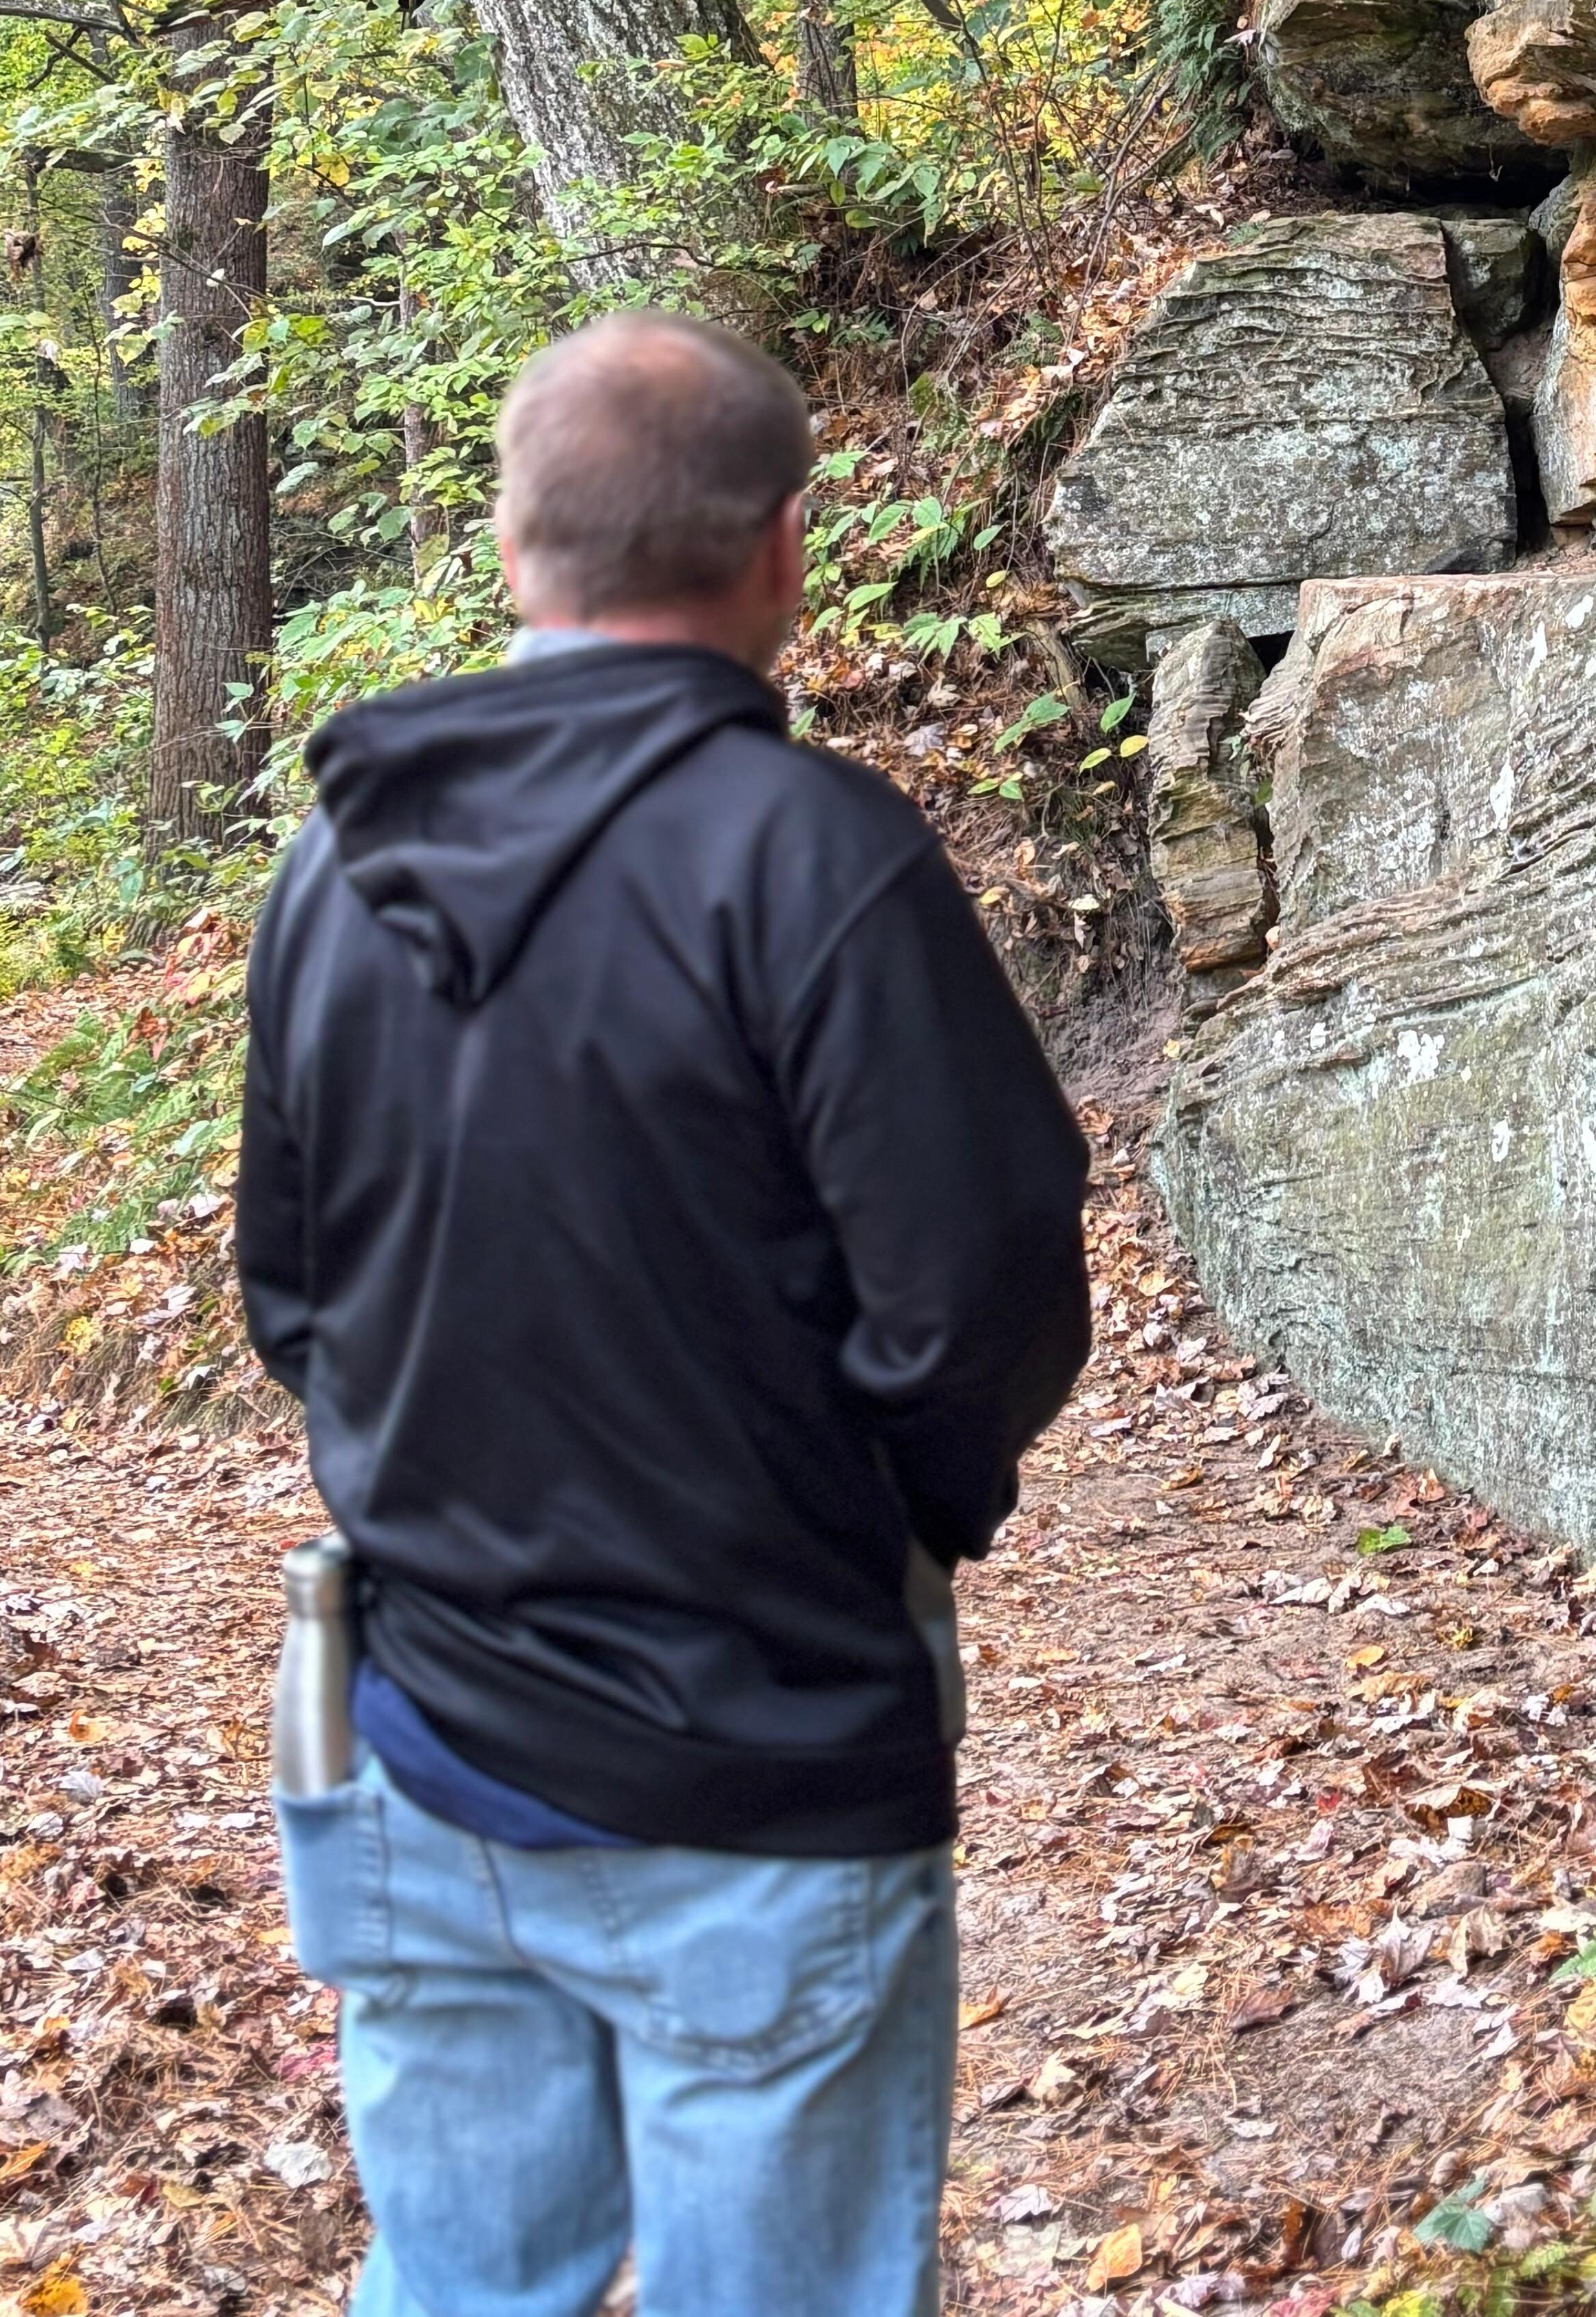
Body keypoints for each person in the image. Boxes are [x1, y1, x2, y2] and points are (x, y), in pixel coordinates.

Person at [236, 311, 1091, 2317]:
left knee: (457, 2294)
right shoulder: (822, 866)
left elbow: (292, 1290)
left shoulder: (330, 875)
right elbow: (980, 1301)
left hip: (414, 1730)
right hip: (760, 1758)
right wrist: (878, 1518)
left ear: (515, 540)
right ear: (786, 548)